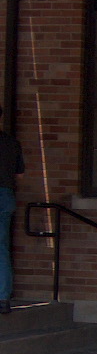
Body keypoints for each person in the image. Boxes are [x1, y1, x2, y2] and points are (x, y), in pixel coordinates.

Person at [0, 106, 24, 314]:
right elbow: (20, 174)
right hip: (6, 196)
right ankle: (3, 297)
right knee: (2, 248)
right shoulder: (11, 143)